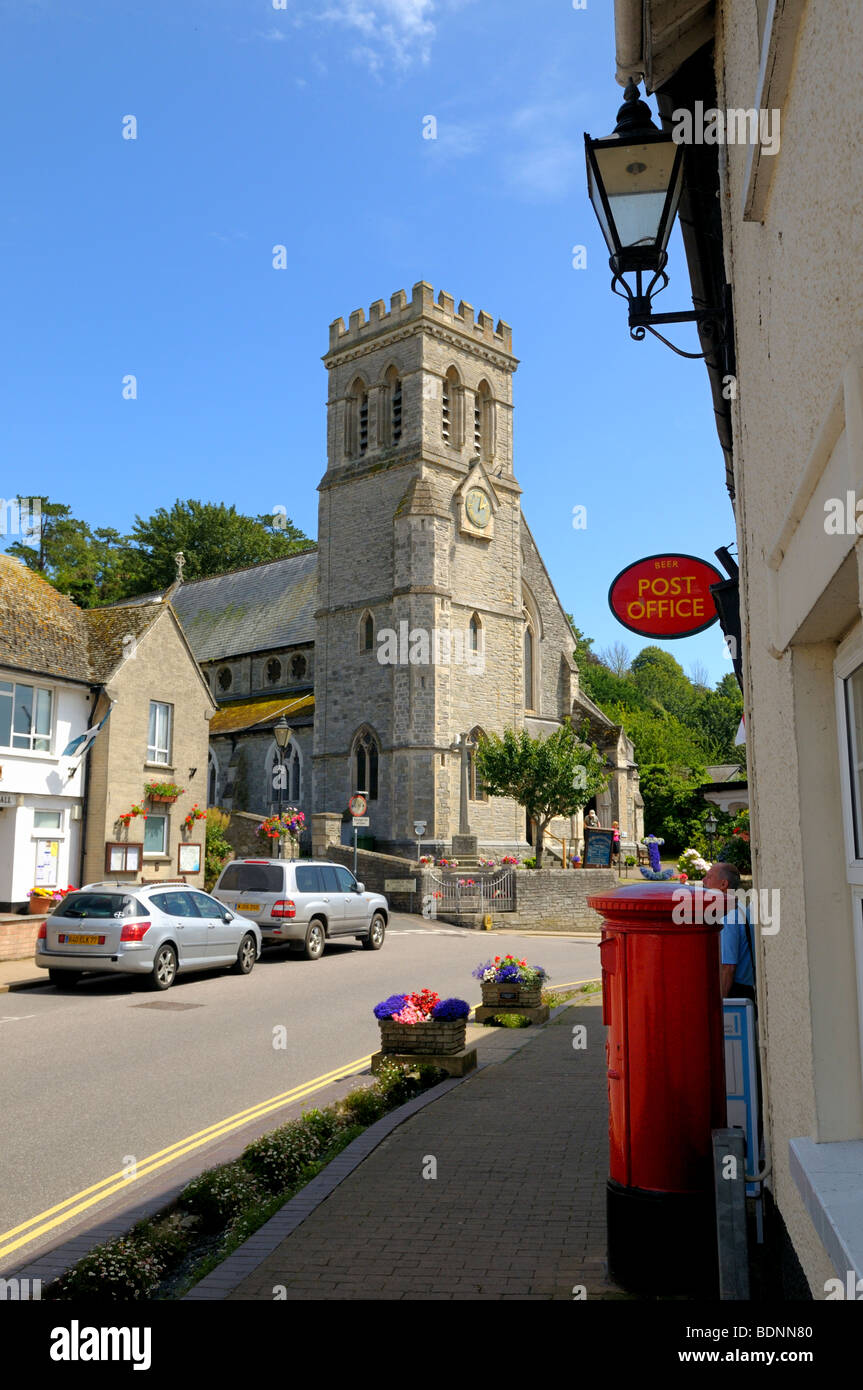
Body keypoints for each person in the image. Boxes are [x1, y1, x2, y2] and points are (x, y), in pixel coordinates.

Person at [703, 860, 756, 1004]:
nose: (703, 881)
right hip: (747, 988)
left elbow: (728, 967)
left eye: (709, 877)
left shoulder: (727, 915)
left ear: (723, 885)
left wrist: (720, 1006)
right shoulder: (741, 909)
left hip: (734, 991)